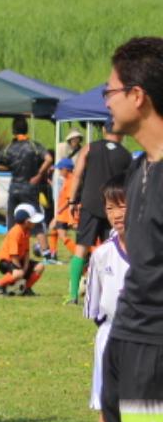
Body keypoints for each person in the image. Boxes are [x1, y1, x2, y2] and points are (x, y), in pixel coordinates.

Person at [97, 37, 163, 422]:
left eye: (111, 90)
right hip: (123, 342)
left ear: (138, 95)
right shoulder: (139, 169)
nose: (107, 100)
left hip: (156, 350)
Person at [81, 174, 128, 422]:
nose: (116, 214)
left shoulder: (153, 252)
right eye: (110, 207)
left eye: (122, 205)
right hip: (111, 340)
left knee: (147, 410)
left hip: (149, 340)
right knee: (107, 412)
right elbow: (95, 310)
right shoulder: (101, 256)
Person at [68, 119, 133, 305]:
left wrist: (72, 200)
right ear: (122, 131)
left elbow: (77, 174)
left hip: (90, 203)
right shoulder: (126, 155)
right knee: (112, 249)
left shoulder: (89, 148)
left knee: (81, 248)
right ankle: (111, 292)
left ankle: (72, 295)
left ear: (104, 129)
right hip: (113, 207)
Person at [0, 117, 52, 239]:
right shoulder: (34, 146)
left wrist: (8, 168)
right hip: (30, 187)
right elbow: (49, 159)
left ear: (13, 131)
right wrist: (39, 174)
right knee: (36, 220)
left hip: (14, 189)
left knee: (12, 222)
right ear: (26, 129)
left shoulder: (8, 148)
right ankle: (45, 249)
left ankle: (12, 248)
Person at [0, 203, 46, 296]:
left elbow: (26, 252)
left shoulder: (26, 231)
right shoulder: (15, 232)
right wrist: (20, 270)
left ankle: (26, 289)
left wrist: (25, 268)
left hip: (19, 260)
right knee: (18, 273)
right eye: (33, 221)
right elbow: (14, 255)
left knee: (40, 266)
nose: (35, 223)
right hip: (7, 262)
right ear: (26, 221)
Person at [47, 157, 79, 262]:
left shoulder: (71, 181)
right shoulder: (67, 180)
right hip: (62, 213)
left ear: (66, 169)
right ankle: (52, 254)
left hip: (65, 214)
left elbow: (70, 199)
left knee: (62, 235)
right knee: (53, 229)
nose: (59, 171)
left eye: (60, 169)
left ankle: (79, 255)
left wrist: (59, 210)